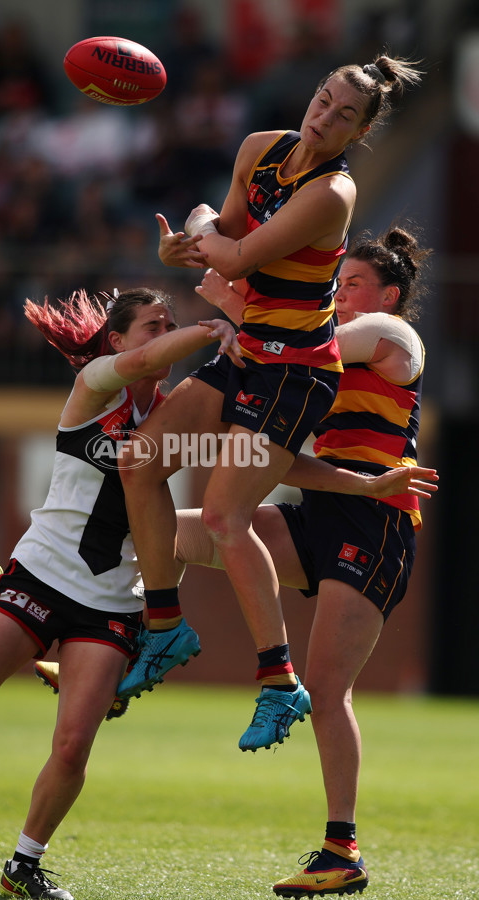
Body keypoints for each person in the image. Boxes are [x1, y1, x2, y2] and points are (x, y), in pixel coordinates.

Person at [115, 54, 424, 757]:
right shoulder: (261, 150)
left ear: (360, 132)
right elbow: (215, 242)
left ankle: (278, 680)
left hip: (297, 375)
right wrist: (181, 246)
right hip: (249, 356)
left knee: (224, 516)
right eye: (323, 99)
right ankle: (164, 628)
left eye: (345, 115)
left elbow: (234, 255)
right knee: (138, 465)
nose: (325, 116)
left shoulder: (333, 193)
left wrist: (206, 243)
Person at [0, 286, 242, 900]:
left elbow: (239, 464)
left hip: (112, 601)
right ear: (116, 341)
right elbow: (143, 364)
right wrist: (207, 330)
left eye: (169, 324)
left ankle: (24, 867)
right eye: (152, 326)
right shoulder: (95, 386)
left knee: (71, 747)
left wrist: (358, 483)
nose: (162, 334)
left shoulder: (172, 421)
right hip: (39, 575)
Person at [188, 221, 434, 896]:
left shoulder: (393, 338)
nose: (343, 294)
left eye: (354, 285)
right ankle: (38, 593)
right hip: (322, 505)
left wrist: (238, 307)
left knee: (327, 691)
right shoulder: (314, 351)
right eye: (337, 284)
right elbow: (289, 442)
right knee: (185, 531)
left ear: (388, 295)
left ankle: (342, 851)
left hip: (376, 519)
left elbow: (314, 345)